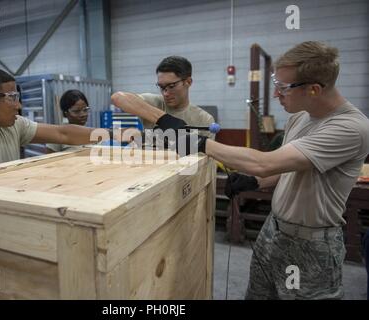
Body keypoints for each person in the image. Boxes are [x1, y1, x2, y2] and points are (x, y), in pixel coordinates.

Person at [112, 41, 369, 299]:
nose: (276, 94)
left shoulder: (349, 128)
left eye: (282, 88)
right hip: (274, 230)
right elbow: (289, 168)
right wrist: (256, 181)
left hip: (313, 244)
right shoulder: (300, 117)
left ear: (314, 89)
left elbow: (265, 162)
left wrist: (198, 142)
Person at [114, 55, 216, 139]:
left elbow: (203, 161)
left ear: (188, 82)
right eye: (161, 87)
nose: (165, 93)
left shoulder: (204, 120)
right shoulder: (154, 103)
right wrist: (163, 119)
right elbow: (117, 98)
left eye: (171, 86)